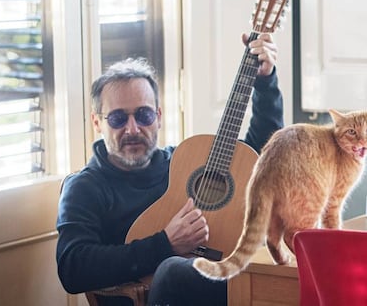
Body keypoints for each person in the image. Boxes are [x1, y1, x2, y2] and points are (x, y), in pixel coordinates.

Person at [56, 32, 284, 305]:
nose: (133, 129)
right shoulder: (85, 186)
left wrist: (265, 81)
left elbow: (257, 156)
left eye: (144, 115)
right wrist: (165, 244)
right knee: (175, 270)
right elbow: (73, 268)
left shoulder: (183, 161)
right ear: (97, 122)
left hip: (218, 289)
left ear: (159, 117)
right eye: (117, 118)